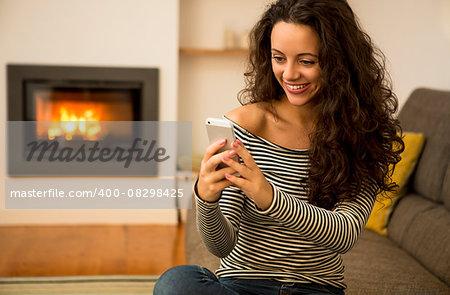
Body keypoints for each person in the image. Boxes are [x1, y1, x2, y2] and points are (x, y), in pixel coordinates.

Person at [154, 0, 403, 294]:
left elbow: (344, 234)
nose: (289, 74)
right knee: (176, 283)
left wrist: (268, 196)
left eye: (307, 61)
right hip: (242, 285)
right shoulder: (245, 126)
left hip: (315, 289)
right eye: (279, 58)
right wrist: (205, 200)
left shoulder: (364, 133)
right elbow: (222, 246)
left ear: (339, 62)